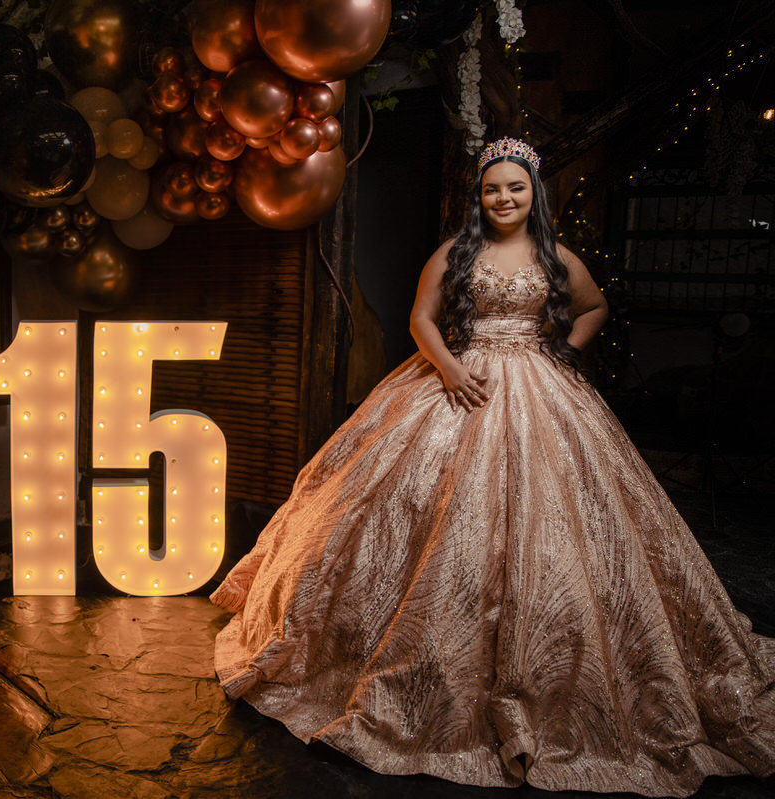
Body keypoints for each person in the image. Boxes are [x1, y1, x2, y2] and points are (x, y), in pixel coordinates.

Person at [210, 138, 775, 797]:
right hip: (457, 381)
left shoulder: (555, 257)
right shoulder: (456, 253)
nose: (504, 198)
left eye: (516, 188)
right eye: (492, 189)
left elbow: (594, 307)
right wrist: (449, 368)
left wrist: (562, 350)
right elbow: (422, 318)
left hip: (540, 386)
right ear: (478, 196)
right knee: (414, 511)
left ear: (535, 193)